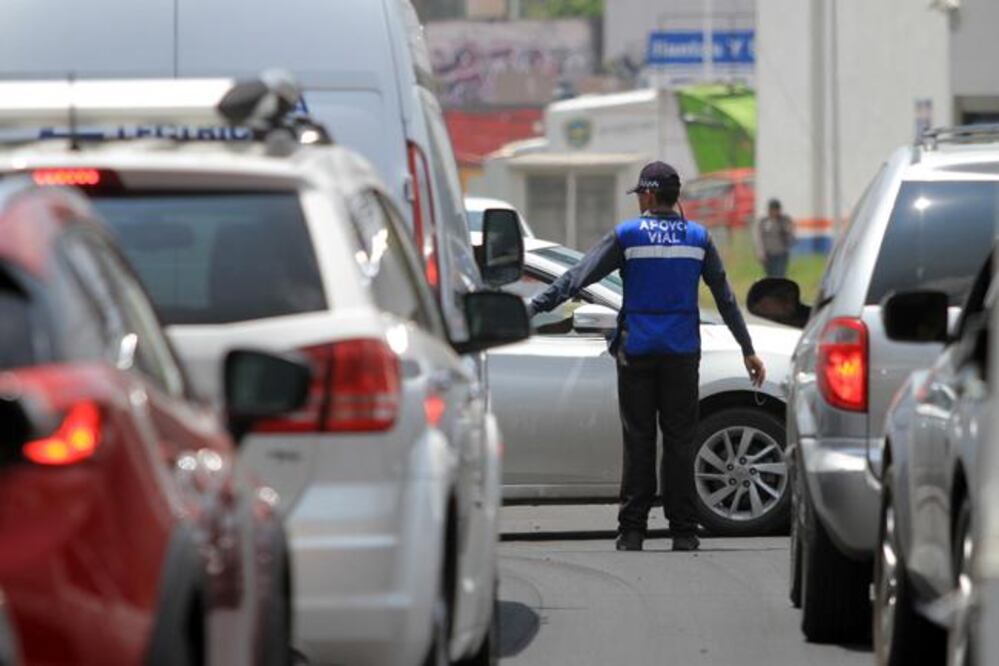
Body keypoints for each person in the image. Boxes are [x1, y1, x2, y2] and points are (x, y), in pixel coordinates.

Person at [526, 161, 766, 553]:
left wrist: (534, 308)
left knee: (638, 441)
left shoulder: (628, 235)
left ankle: (633, 531)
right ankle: (684, 532)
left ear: (650, 194)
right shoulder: (699, 238)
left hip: (636, 353)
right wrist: (747, 349)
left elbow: (577, 278)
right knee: (680, 442)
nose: (639, 200)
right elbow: (725, 299)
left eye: (639, 194)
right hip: (682, 355)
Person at [753, 198, 795, 278]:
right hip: (768, 254)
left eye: (776, 210)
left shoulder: (784, 220)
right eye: (772, 209)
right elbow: (759, 238)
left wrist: (787, 229)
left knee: (780, 275)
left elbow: (790, 236)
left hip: (781, 253)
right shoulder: (763, 222)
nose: (774, 212)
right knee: (770, 276)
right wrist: (760, 252)